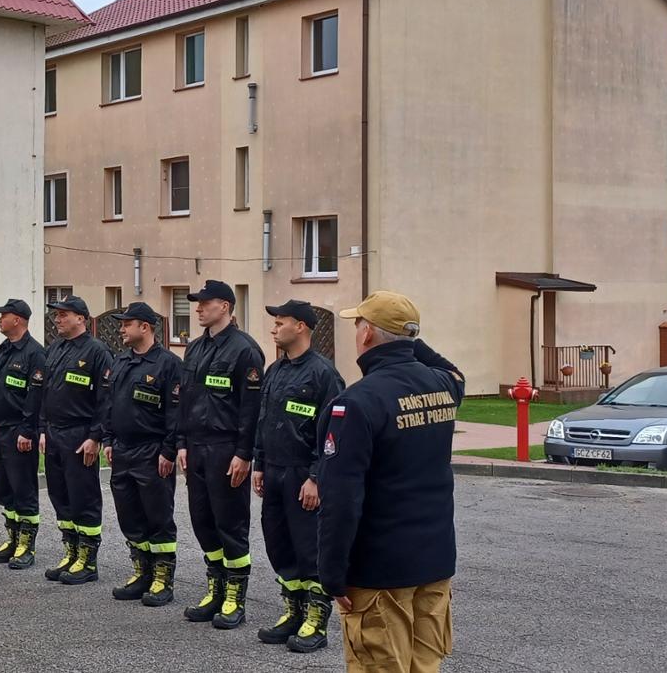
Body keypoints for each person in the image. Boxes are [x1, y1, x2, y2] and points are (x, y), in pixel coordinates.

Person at [319, 291, 465, 673]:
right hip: (433, 560)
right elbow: (453, 370)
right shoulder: (442, 386)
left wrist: (332, 573)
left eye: (358, 325)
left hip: (379, 569)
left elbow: (341, 497)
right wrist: (408, 336)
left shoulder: (357, 402)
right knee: (425, 665)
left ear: (367, 334)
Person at [253, 300, 345, 651]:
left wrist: (316, 477)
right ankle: (293, 611)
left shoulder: (324, 374)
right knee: (279, 545)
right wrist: (259, 463)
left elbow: (333, 433)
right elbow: (263, 420)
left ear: (302, 327)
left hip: (302, 475)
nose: (275, 329)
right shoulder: (276, 370)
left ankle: (316, 622)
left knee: (309, 548)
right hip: (274, 471)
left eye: (280, 322)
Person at [177, 279, 265, 629]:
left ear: (225, 306)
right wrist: (181, 443)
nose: (197, 308)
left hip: (227, 448)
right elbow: (186, 400)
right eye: (197, 303)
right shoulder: (195, 348)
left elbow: (251, 408)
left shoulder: (245, 350)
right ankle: (215, 587)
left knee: (230, 522)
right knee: (203, 521)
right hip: (196, 447)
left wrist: (245, 453)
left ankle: (234, 597)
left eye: (204, 303)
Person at [99, 302, 186, 606]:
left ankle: (163, 578)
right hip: (122, 450)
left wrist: (168, 450)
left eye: (127, 323)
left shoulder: (168, 364)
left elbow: (176, 412)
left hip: (152, 452)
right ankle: (142, 571)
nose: (121, 329)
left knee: (157, 515)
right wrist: (108, 439)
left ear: (145, 327)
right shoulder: (121, 361)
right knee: (130, 515)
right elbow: (108, 404)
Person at [37, 296, 113, 585]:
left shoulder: (97, 351)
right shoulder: (55, 349)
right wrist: (43, 429)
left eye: (63, 315)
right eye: (56, 315)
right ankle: (70, 553)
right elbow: (45, 392)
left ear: (81, 318)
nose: (57, 319)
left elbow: (105, 400)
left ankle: (88, 561)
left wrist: (96, 437)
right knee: (61, 496)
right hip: (55, 433)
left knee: (84, 496)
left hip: (80, 434)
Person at [0, 299, 47, 568]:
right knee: (5, 488)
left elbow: (35, 396)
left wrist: (28, 430)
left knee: (23, 488)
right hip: (1, 429)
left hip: (20, 431)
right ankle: (13, 539)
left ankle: (27, 546)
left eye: (3, 316)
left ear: (17, 319)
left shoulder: (34, 354)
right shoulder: (1, 351)